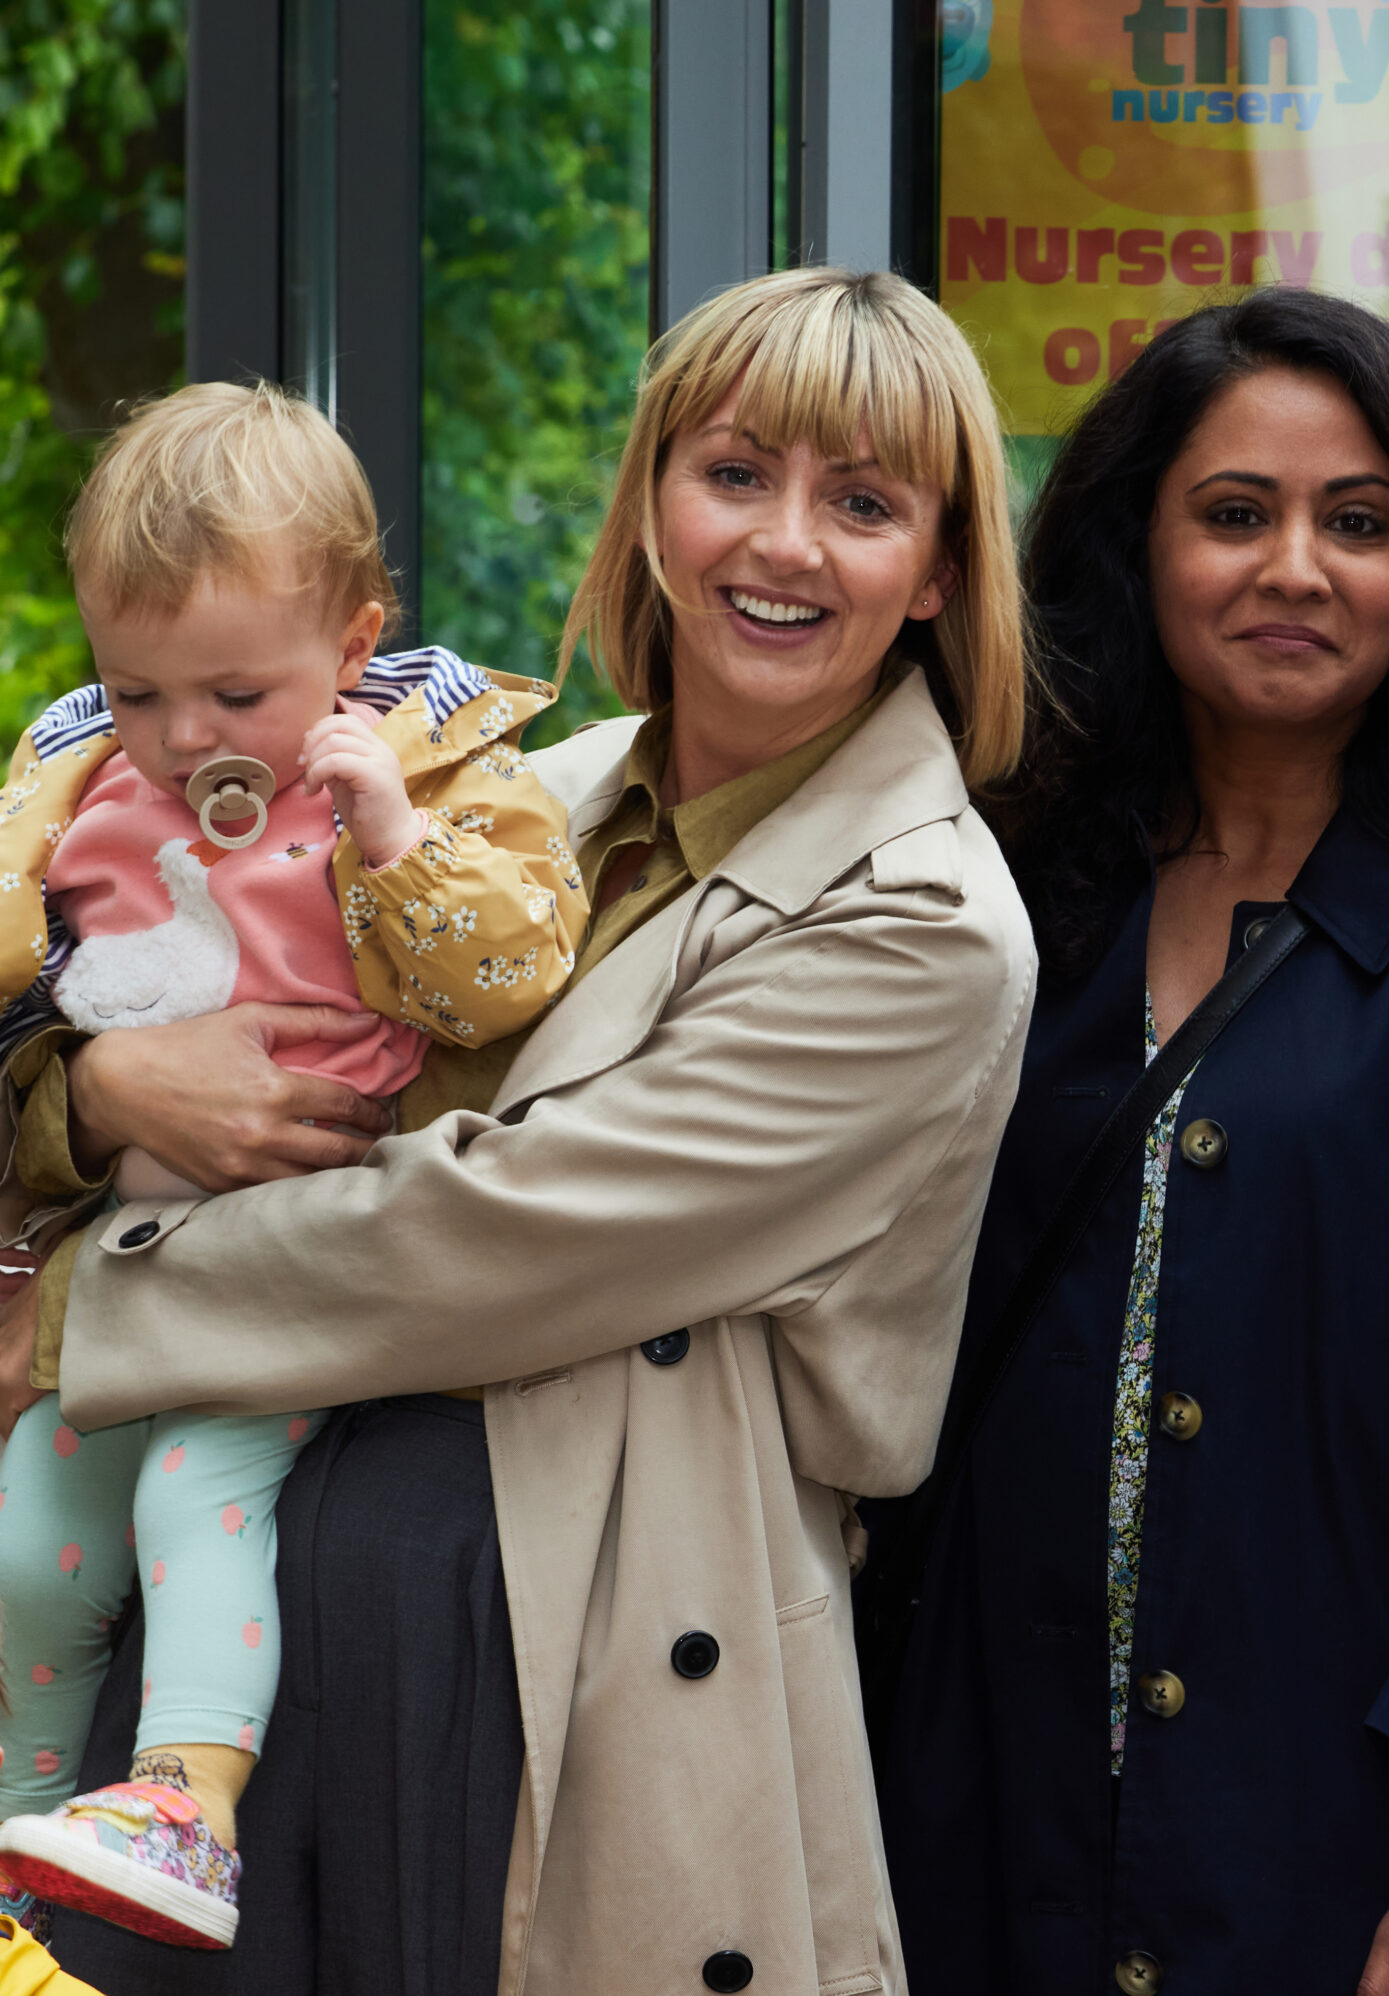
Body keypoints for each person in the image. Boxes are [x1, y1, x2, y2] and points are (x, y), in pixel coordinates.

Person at [0, 265, 1036, 1996]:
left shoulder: (924, 922)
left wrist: (88, 1297)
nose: (784, 543)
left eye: (861, 503)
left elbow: (513, 1227)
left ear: (937, 572)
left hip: (590, 1682)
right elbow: (158, 1023)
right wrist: (100, 1091)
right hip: (258, 1645)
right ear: (648, 507)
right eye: (733, 473)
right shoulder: (522, 800)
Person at [871, 287, 1389, 1996]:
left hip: (1362, 1816)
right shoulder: (993, 887)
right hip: (984, 1795)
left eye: (1358, 524)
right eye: (1235, 513)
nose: (1295, 568)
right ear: (1137, 549)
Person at [0, 382, 587, 1950]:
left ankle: (188, 1805)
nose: (187, 742)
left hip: (300, 1271)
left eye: (236, 697)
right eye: (135, 694)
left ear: (352, 645)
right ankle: (24, 1840)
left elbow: (512, 981)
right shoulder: (75, 794)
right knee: (19, 1544)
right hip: (118, 1269)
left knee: (202, 1505)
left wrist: (390, 839)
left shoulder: (446, 781)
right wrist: (82, 1078)